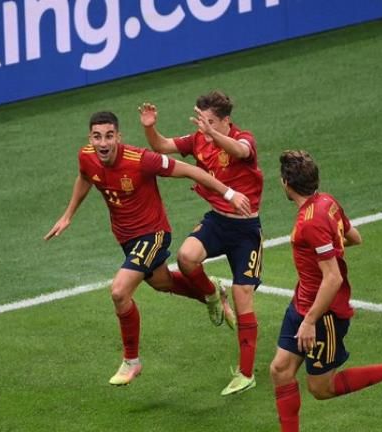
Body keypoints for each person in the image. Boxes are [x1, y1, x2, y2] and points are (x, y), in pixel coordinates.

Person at [250, 150, 382, 432]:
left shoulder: (311, 221)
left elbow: (333, 278)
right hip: (303, 302)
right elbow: (354, 236)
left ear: (286, 183)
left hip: (324, 314)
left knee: (321, 388)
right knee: (280, 370)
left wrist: (310, 321)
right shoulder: (327, 202)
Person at [44, 111, 250, 386]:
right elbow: (85, 177)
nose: (103, 143)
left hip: (153, 234)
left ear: (118, 136)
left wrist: (229, 193)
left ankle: (132, 361)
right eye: (97, 137)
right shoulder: (87, 156)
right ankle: (211, 291)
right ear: (90, 138)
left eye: (109, 136)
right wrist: (68, 215)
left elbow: (191, 170)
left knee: (119, 292)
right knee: (162, 282)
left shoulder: (141, 160)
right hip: (126, 238)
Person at [139, 91, 264, 396]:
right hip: (218, 222)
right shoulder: (198, 139)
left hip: (246, 232)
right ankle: (211, 294)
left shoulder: (243, 139)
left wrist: (213, 134)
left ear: (226, 121)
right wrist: (150, 127)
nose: (203, 126)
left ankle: (246, 373)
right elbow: (161, 146)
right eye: (201, 120)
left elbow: (241, 151)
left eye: (210, 121)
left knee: (243, 297)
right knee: (186, 257)